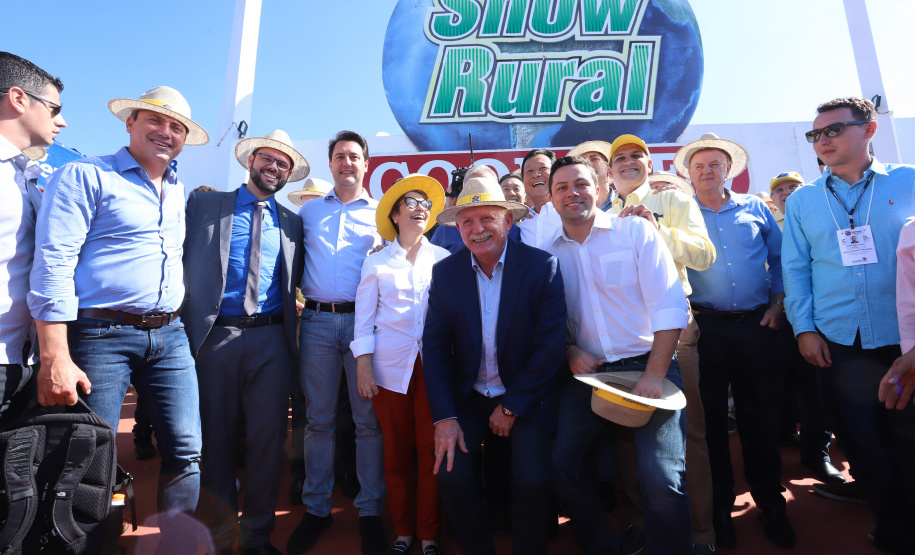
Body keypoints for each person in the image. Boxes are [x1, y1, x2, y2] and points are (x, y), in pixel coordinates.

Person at [29, 86, 209, 536]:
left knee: (187, 451)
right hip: (100, 335)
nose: (165, 132)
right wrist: (54, 352)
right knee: (88, 455)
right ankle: (88, 544)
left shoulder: (177, 189)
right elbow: (53, 261)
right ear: (129, 122)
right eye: (155, 120)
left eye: (176, 127)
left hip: (170, 335)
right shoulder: (86, 175)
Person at [782, 97, 915, 554]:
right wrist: (804, 328)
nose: (823, 141)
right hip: (840, 343)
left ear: (870, 129)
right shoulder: (802, 201)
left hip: (906, 341)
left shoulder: (910, 181)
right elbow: (796, 269)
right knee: (864, 445)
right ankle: (895, 531)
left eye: (834, 130)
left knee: (909, 441)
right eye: (816, 134)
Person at [544, 155, 692, 555]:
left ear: (600, 187)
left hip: (650, 365)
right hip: (588, 377)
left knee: (662, 479)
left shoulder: (636, 233)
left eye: (580, 184)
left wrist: (655, 374)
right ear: (552, 199)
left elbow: (669, 305)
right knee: (564, 468)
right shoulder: (547, 253)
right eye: (561, 188)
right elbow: (546, 321)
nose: (572, 193)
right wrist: (570, 350)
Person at [422, 175, 566, 555]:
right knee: (450, 477)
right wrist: (445, 419)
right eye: (466, 221)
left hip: (524, 395)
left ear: (508, 220)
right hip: (469, 396)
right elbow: (434, 349)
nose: (476, 228)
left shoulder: (541, 267)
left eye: (487, 218)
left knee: (534, 480)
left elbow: (550, 348)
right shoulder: (445, 273)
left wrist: (512, 405)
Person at [182, 129, 306, 554]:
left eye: (283, 164)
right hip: (216, 338)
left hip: (272, 340)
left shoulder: (292, 222)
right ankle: (219, 535)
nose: (274, 168)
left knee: (268, 441)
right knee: (214, 440)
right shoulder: (203, 205)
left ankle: (257, 536)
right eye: (268, 160)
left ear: (289, 175)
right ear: (251, 160)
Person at [674, 132, 795, 549]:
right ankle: (720, 508)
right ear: (689, 174)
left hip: (757, 326)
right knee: (708, 424)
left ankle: (770, 503)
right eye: (699, 166)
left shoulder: (756, 208)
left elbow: (781, 261)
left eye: (715, 164)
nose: (707, 172)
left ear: (730, 170)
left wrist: (777, 305)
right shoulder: (680, 212)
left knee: (759, 418)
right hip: (706, 329)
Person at [605, 134, 717, 554]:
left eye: (637, 156)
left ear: (650, 165)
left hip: (673, 330)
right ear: (610, 171)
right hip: (623, 335)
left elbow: (704, 255)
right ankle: (644, 521)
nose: (629, 162)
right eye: (620, 159)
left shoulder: (674, 201)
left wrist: (658, 230)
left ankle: (700, 532)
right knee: (629, 434)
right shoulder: (604, 212)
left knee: (689, 434)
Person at [287, 130, 387, 555]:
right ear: (330, 164)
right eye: (340, 156)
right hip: (316, 323)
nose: (347, 163)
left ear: (367, 164)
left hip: (366, 328)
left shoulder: (384, 212)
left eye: (355, 156)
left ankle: (369, 510)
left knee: (367, 422)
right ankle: (317, 507)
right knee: (319, 421)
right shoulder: (308, 214)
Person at [352, 174, 449, 555]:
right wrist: (364, 365)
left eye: (425, 203)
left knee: (432, 454)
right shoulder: (376, 262)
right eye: (411, 202)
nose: (421, 208)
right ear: (394, 214)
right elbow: (364, 319)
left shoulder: (444, 259)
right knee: (395, 455)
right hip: (389, 371)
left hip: (435, 371)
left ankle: (428, 534)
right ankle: (403, 531)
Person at [0, 52, 65, 426]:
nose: (62, 121)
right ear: (19, 98)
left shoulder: (25, 177)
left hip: (18, 362)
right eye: (54, 109)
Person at [768, 171, 845, 485]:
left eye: (792, 187)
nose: (786, 193)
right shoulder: (769, 225)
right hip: (777, 317)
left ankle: (817, 453)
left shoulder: (821, 217)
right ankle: (785, 433)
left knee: (815, 387)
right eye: (780, 190)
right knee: (782, 384)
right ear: (772, 199)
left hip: (819, 316)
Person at [431, 164, 519, 254]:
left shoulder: (515, 230)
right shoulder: (444, 230)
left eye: (487, 218)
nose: (478, 230)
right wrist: (449, 203)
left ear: (507, 221)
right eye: (471, 186)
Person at [517, 148, 562, 248]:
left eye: (543, 168)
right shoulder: (522, 226)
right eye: (529, 171)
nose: (536, 175)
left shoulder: (570, 215)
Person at [566, 140, 614, 210]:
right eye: (584, 161)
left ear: (608, 166)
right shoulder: (573, 208)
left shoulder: (625, 203)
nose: (589, 164)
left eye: (594, 159)